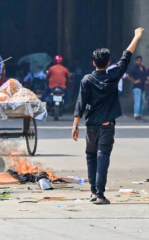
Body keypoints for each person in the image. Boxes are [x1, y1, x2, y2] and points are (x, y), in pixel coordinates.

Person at [72, 27, 144, 205]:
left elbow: (80, 104)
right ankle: (100, 194)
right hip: (106, 125)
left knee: (91, 156)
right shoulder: (114, 75)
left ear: (94, 63)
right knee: (103, 155)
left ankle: (94, 193)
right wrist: (136, 36)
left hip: (91, 126)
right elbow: (126, 56)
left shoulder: (87, 80)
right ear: (108, 62)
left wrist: (74, 126)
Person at [127, 56, 147, 121]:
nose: (139, 61)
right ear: (136, 61)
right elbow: (127, 75)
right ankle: (136, 115)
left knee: (142, 101)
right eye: (138, 60)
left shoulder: (143, 68)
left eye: (140, 60)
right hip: (137, 87)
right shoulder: (134, 68)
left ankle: (140, 115)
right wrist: (134, 81)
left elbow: (145, 76)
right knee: (137, 101)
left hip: (143, 86)